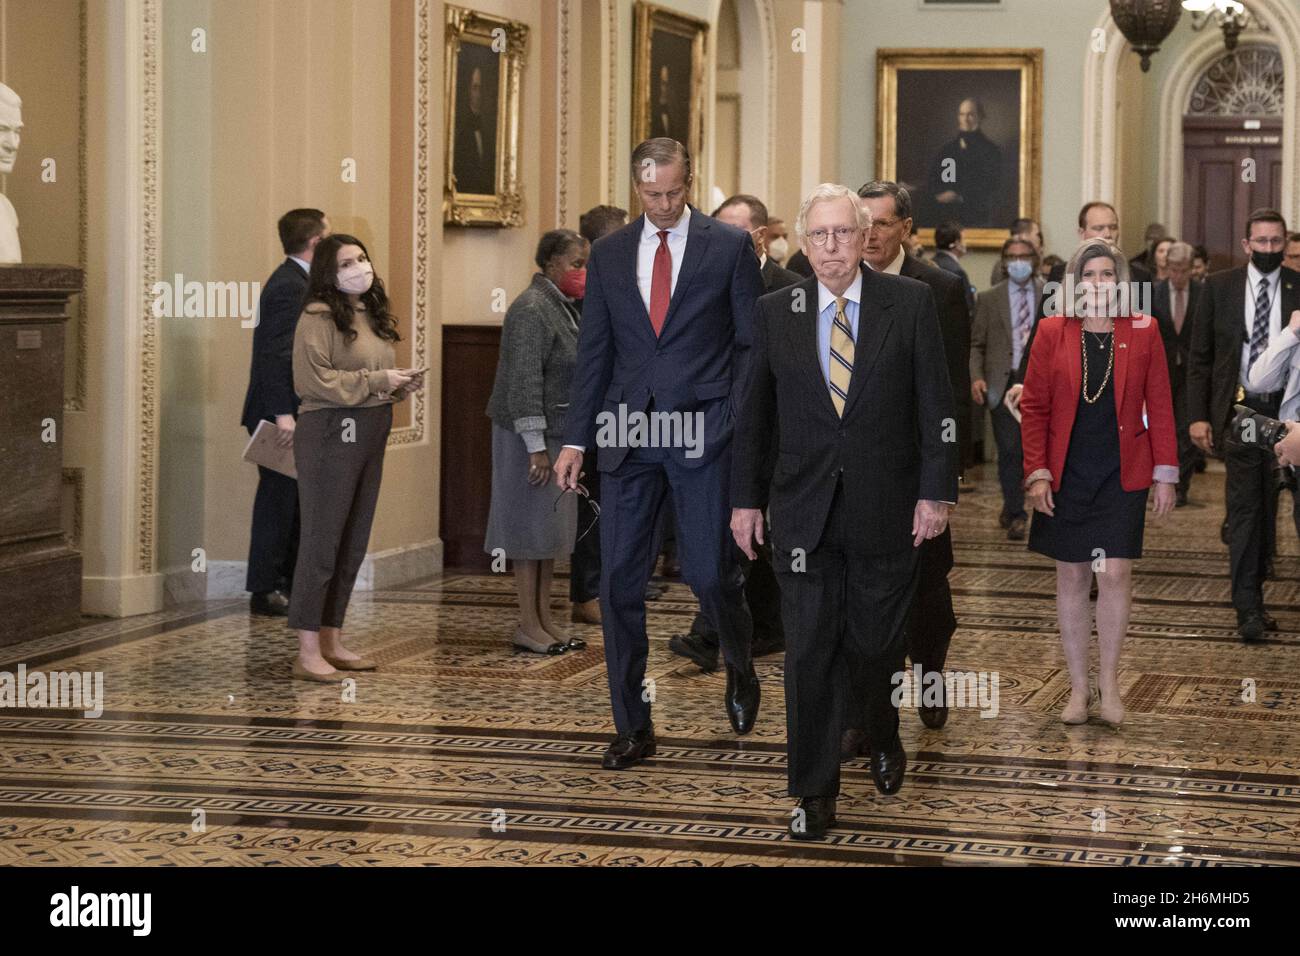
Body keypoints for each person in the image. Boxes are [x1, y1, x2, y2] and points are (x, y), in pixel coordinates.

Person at [730, 183, 956, 840]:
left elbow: (937, 408)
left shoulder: (908, 304)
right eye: (820, 235)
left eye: (844, 233)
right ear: (805, 243)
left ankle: (883, 731)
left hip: (887, 509)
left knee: (875, 645)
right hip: (802, 513)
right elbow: (754, 419)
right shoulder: (777, 311)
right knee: (808, 653)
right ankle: (811, 790)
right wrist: (745, 501)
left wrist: (935, 492)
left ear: (866, 239)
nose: (832, 246)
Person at [554, 138, 764, 770]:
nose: (666, 204)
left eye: (675, 191)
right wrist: (574, 438)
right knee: (619, 581)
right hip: (626, 434)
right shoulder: (611, 253)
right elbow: (596, 352)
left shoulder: (727, 248)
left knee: (707, 574)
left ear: (690, 180)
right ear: (635, 191)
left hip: (704, 431)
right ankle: (633, 726)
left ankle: (739, 663)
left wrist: (731, 417)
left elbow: (751, 345)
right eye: (653, 195)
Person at [1021, 238, 1178, 727]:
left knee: (1114, 574)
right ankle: (1077, 688)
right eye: (1089, 275)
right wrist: (1037, 472)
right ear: (1074, 282)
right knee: (1071, 575)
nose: (1098, 283)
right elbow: (1035, 408)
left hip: (1122, 470)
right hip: (1067, 472)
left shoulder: (1145, 329)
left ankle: (1110, 684)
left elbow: (1161, 405)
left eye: (1107, 275)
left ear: (1120, 282)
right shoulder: (1051, 330)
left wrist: (1165, 473)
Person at [851, 179, 967, 735]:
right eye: (862, 222)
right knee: (859, 595)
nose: (869, 234)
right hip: (852, 471)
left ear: (906, 229)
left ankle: (929, 677)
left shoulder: (938, 288)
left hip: (916, 467)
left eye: (881, 223)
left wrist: (942, 481)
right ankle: (867, 711)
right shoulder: (825, 281)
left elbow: (948, 391)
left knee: (925, 590)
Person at [669, 194, 800, 672]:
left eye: (735, 232)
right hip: (716, 427)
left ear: (760, 236)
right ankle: (724, 629)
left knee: (752, 535)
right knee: (728, 533)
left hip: (773, 432)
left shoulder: (790, 287)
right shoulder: (703, 284)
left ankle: (724, 631)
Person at [288, 235, 424, 680]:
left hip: (370, 427)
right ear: (329, 271)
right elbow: (316, 381)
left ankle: (332, 637)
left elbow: (367, 375)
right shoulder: (317, 316)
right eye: (347, 262)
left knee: (352, 540)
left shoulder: (369, 313)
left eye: (363, 258)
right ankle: (307, 649)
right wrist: (376, 379)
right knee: (322, 541)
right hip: (330, 431)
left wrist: (396, 385)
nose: (359, 267)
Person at [1188, 209, 1300, 642]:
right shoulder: (1219, 287)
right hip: (1241, 414)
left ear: (1285, 243)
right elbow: (1200, 357)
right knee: (1247, 511)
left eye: (1277, 242)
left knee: (1286, 509)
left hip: (1290, 414)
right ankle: (1248, 608)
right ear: (1246, 244)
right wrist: (1198, 416)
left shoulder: (1297, 286)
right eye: (1262, 242)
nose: (1269, 250)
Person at [485, 230, 589, 654]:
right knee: (529, 533)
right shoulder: (531, 308)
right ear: (549, 264)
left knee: (548, 533)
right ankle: (527, 624)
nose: (582, 272)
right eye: (575, 264)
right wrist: (534, 447)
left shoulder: (561, 307)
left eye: (585, 264)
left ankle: (545, 618)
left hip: (556, 435)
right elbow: (524, 381)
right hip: (529, 437)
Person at [240, 209, 330, 617]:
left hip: (294, 412)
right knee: (278, 502)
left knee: (297, 500)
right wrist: (282, 415)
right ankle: (265, 588)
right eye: (327, 237)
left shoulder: (301, 283)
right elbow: (274, 357)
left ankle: (289, 584)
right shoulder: (288, 287)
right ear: (314, 243)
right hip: (279, 415)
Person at [568, 205, 629, 627]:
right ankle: (586, 591)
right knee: (592, 508)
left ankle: (611, 583)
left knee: (616, 506)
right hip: (594, 417)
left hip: (624, 412)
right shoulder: (590, 286)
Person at [972, 236, 1041, 541]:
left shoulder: (1050, 295)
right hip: (1002, 382)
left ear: (1034, 259)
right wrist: (976, 376)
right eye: (1012, 257)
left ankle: (1033, 507)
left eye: (1024, 256)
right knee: (1010, 451)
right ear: (1004, 261)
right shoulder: (989, 298)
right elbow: (977, 343)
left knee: (1036, 452)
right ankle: (1016, 512)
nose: (1018, 262)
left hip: (1040, 382)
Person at [1150, 241, 1203, 505]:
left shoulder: (1204, 293)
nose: (1178, 276)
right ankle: (1158, 479)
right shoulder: (1153, 293)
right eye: (1174, 269)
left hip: (1193, 372)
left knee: (1186, 428)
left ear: (1192, 268)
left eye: (1183, 270)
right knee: (1159, 426)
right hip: (1161, 371)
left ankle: (1182, 484)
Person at [925, 97, 1002, 227]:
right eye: (962, 114)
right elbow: (934, 180)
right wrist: (939, 194)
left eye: (970, 114)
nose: (965, 119)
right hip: (946, 216)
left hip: (976, 217)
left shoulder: (991, 151)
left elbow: (993, 186)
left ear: (980, 117)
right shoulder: (947, 150)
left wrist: (960, 195)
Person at [932, 219, 976, 314]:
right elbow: (967, 307)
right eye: (964, 239)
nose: (965, 244)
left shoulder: (929, 264)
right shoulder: (957, 272)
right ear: (956, 243)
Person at [989, 217, 1043, 285]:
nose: (1040, 239)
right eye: (1037, 235)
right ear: (1023, 236)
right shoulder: (1003, 265)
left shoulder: (1038, 260)